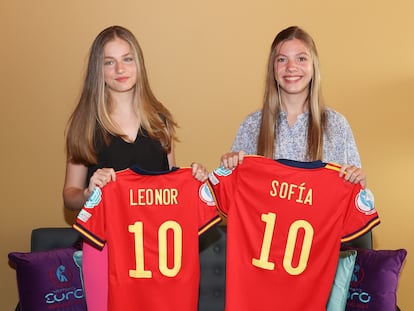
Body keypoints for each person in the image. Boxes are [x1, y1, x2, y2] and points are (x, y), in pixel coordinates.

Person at [63, 25, 207, 311]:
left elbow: (169, 190)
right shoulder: (84, 124)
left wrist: (195, 180)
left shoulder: (160, 122)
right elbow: (69, 196)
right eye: (109, 61)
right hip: (103, 248)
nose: (120, 68)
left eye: (127, 59)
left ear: (138, 64)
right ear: (98, 70)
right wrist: (89, 191)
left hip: (152, 249)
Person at [220, 26, 366, 187]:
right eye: (282, 59)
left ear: (313, 65)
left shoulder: (336, 125)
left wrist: (360, 184)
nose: (291, 67)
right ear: (273, 68)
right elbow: (232, 195)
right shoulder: (252, 125)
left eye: (301, 58)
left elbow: (358, 200)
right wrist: (228, 168)